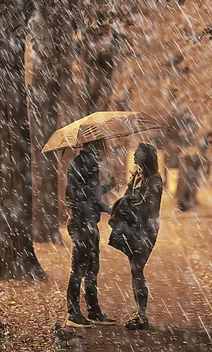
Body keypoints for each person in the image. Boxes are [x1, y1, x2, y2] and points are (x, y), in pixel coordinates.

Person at [65, 140, 116, 328]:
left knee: (91, 267)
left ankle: (93, 311)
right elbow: (88, 198)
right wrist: (111, 209)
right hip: (82, 223)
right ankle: (73, 314)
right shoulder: (89, 164)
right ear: (94, 147)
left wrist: (107, 188)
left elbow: (87, 195)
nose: (103, 149)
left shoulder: (79, 163)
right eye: (101, 145)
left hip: (85, 222)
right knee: (80, 268)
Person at [122, 143, 163, 330]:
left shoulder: (154, 180)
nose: (133, 156)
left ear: (146, 156)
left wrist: (129, 207)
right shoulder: (137, 176)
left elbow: (148, 208)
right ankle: (140, 314)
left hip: (148, 230)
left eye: (137, 153)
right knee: (134, 269)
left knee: (137, 269)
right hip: (134, 228)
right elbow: (126, 198)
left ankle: (142, 316)